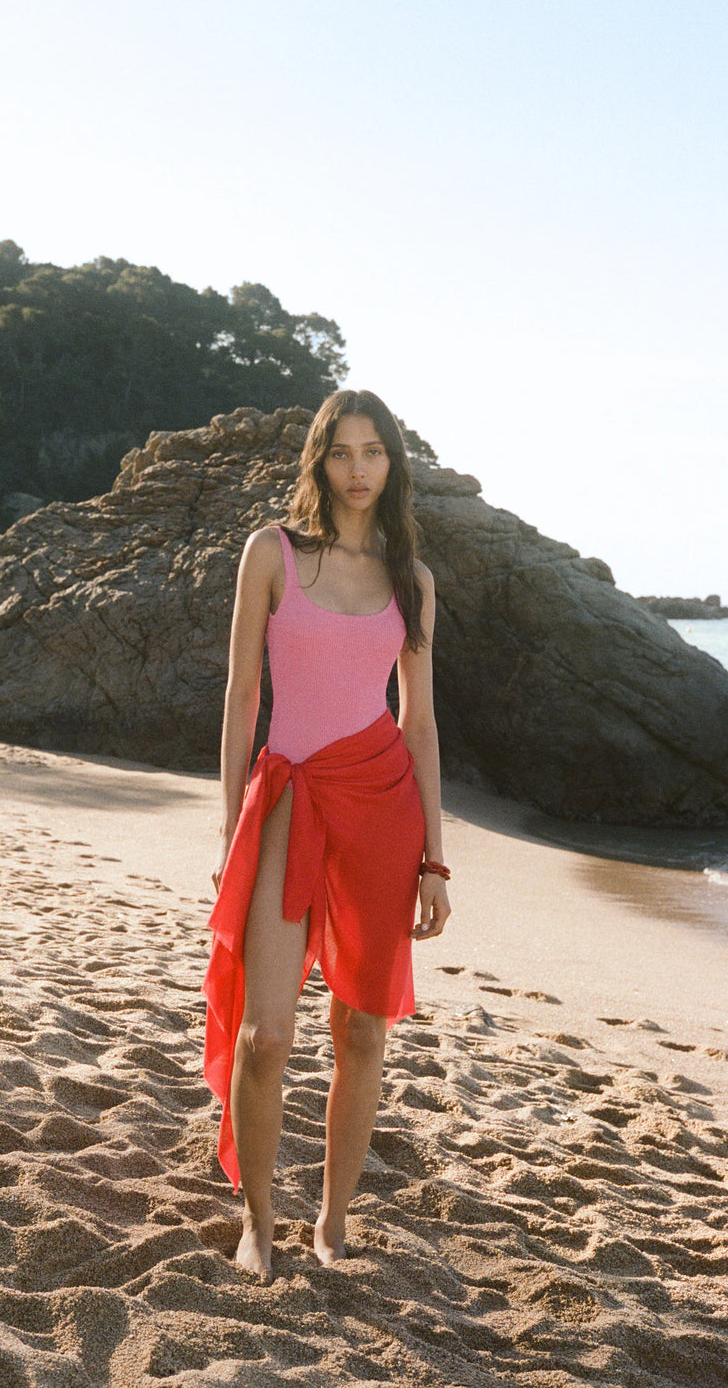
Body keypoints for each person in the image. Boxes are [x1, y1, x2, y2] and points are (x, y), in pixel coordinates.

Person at [202, 388, 452, 1283]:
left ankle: (334, 1222)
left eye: (373, 452)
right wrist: (234, 819)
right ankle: (260, 1220)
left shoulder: (410, 579)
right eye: (342, 452)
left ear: (394, 464)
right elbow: (240, 698)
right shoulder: (270, 554)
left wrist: (434, 856)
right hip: (287, 803)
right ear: (319, 460)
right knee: (268, 1034)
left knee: (363, 1032)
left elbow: (418, 725)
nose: (357, 470)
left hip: (383, 810)